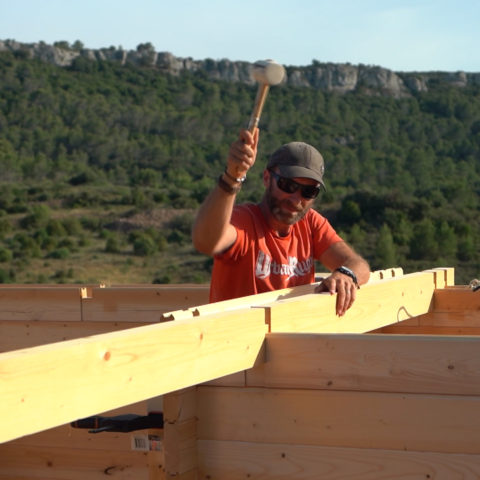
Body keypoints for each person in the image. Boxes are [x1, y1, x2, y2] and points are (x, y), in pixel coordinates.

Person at [192, 128, 370, 316]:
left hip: (288, 340)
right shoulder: (245, 221)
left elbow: (358, 264)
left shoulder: (310, 223)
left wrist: (346, 274)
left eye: (308, 192)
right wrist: (231, 178)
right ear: (267, 178)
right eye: (288, 185)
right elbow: (206, 241)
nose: (296, 199)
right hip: (237, 340)